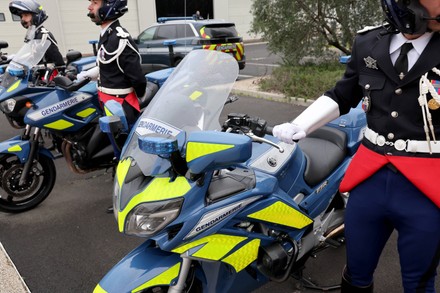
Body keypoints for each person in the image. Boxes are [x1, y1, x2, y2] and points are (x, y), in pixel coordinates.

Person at [272, 0, 440, 292]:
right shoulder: (368, 42)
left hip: (427, 186)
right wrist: (302, 123)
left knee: (419, 280)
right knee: (356, 272)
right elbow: (343, 94)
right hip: (369, 181)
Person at [78, 0, 146, 127]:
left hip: (120, 107)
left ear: (109, 6)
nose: (89, 7)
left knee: (120, 145)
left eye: (95, 3)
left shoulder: (120, 38)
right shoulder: (107, 34)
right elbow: (108, 64)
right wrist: (88, 74)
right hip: (107, 102)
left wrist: (140, 96)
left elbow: (138, 79)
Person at [9, 0, 65, 67]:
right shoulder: (33, 33)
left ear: (36, 16)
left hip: (46, 74)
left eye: (26, 15)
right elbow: (31, 55)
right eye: (22, 16)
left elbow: (57, 58)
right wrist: (14, 58)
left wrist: (61, 70)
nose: (23, 19)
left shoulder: (43, 35)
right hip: (35, 72)